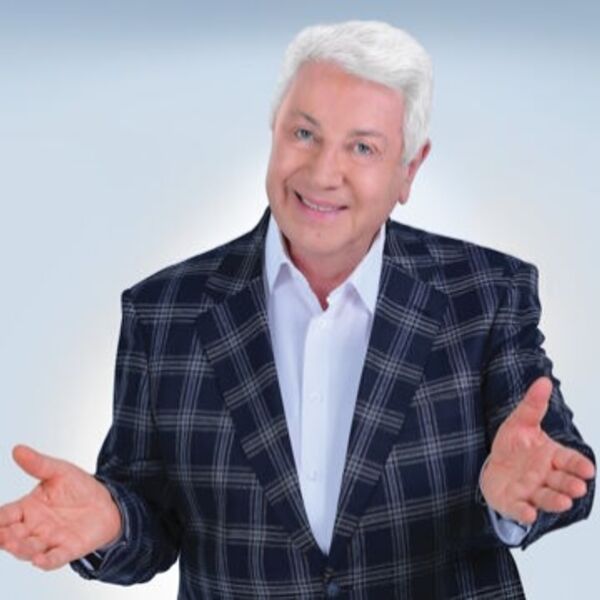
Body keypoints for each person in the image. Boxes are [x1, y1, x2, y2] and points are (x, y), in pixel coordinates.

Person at [0, 20, 595, 599]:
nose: (322, 173)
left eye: (362, 147)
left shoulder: (487, 293)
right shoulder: (162, 314)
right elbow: (151, 516)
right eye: (304, 134)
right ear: (274, 130)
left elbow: (554, 463)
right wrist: (112, 521)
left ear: (409, 169)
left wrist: (519, 494)